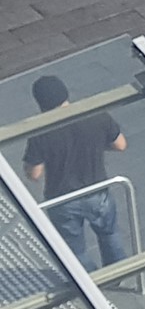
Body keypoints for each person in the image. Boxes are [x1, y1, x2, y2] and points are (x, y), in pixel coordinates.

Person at [23, 75, 128, 271]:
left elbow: (34, 174)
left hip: (62, 199)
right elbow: (120, 145)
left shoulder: (40, 132)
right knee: (109, 234)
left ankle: (89, 280)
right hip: (98, 192)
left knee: (75, 249)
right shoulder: (94, 114)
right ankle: (118, 273)